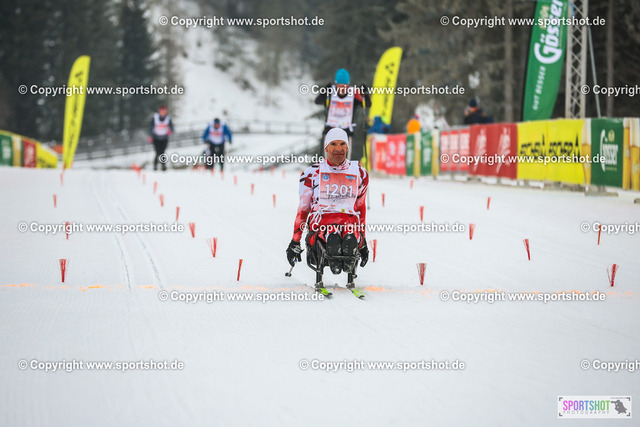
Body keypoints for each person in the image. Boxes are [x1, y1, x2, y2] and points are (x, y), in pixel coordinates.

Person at [285, 127, 369, 298]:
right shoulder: (312, 173)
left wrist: (363, 240)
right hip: (321, 222)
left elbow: (360, 208)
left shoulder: (360, 173)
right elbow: (303, 209)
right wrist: (295, 241)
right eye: (333, 144)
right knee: (330, 235)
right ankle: (332, 246)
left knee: (349, 235)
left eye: (342, 144)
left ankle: (348, 251)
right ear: (326, 147)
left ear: (347, 147)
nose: (338, 149)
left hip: (349, 222)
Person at [314, 68, 372, 153]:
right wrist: (324, 91)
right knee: (330, 156)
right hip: (330, 129)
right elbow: (317, 101)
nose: (342, 89)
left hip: (346, 130)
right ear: (336, 84)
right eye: (339, 86)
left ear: (348, 85)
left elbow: (367, 104)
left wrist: (365, 94)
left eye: (344, 86)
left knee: (343, 156)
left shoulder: (354, 93)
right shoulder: (330, 91)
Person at [148, 105, 174, 171]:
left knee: (162, 152)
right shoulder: (155, 118)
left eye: (164, 111)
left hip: (164, 138)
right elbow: (151, 127)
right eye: (162, 111)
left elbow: (171, 127)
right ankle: (155, 166)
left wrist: (170, 131)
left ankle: (163, 166)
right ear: (159, 111)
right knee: (157, 152)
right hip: (156, 138)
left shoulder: (168, 119)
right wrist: (150, 135)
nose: (163, 113)